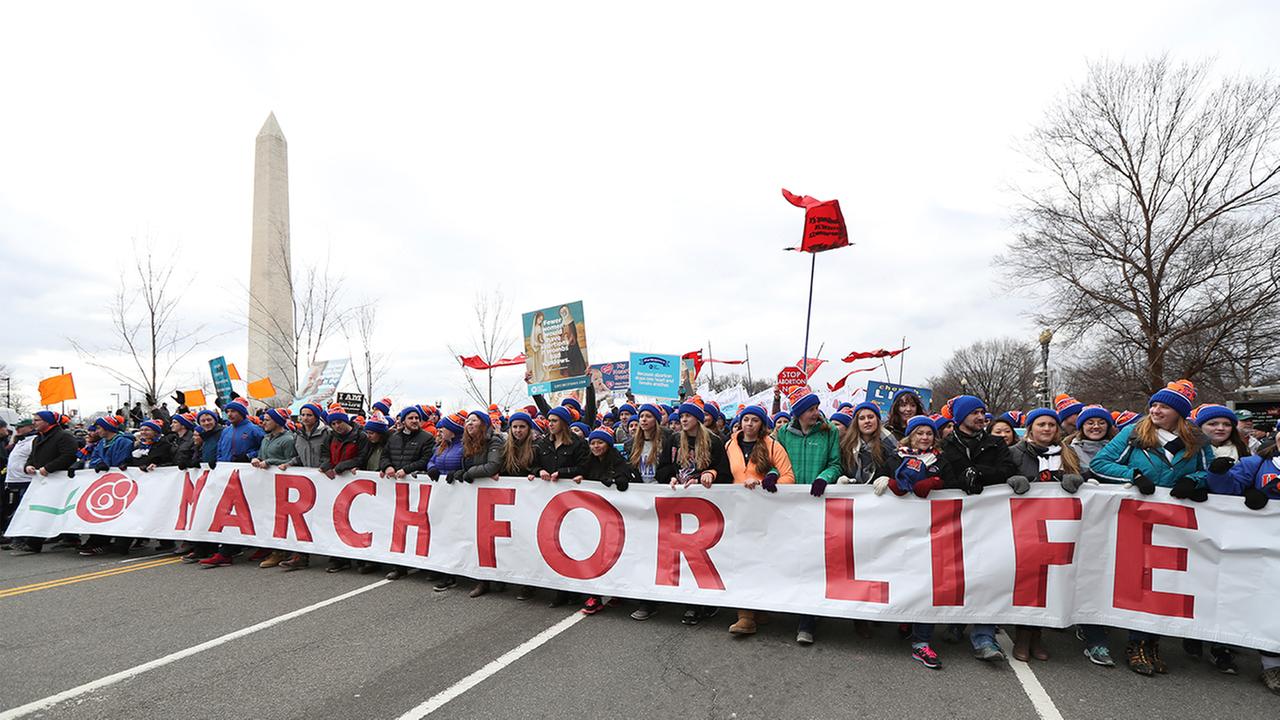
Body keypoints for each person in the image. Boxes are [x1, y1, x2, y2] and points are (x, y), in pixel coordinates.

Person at [1090, 379, 1212, 677]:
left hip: (1175, 522)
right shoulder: (1135, 433)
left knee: (1166, 580)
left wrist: (1193, 482)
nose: (1156, 410)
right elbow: (1100, 463)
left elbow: (1208, 472)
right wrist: (1133, 474)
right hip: (1137, 517)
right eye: (1154, 405)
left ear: (1179, 413)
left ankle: (1153, 641)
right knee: (1139, 577)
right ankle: (1136, 643)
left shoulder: (1197, 440)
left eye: (1164, 406)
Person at [1005, 408, 1098, 664]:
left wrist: (1076, 479)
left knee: (1051, 580)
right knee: (1028, 580)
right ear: (1030, 429)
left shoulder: (1068, 453)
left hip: (1059, 528)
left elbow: (1088, 477)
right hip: (1025, 526)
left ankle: (1038, 636)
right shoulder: (1015, 453)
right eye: (1041, 425)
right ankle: (1023, 636)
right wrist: (1012, 480)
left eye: (1051, 425)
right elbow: (1000, 476)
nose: (1047, 429)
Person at [939, 394, 1018, 661]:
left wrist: (980, 474)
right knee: (958, 572)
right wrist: (963, 479)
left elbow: (1006, 469)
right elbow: (944, 477)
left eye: (983, 412)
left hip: (991, 519)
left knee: (988, 573)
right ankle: (958, 620)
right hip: (957, 519)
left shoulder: (996, 443)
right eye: (974, 412)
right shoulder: (945, 445)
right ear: (960, 417)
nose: (981, 417)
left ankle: (984, 636)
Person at [1205, 422, 1280, 693]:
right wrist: (1220, 474)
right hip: (1262, 546)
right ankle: (1271, 665)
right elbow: (1228, 489)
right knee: (1269, 600)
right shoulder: (1257, 463)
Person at [772, 392, 840, 644]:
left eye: (817, 408)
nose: (815, 413)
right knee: (791, 556)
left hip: (817, 503)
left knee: (813, 560)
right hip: (788, 505)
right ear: (798, 413)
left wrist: (825, 477)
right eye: (810, 409)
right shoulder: (782, 434)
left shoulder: (829, 431)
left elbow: (835, 463)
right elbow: (773, 462)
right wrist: (771, 475)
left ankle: (807, 619)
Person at [725, 405, 793, 635]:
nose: (749, 424)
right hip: (737, 512)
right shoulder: (729, 445)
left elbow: (788, 476)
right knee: (741, 560)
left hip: (765, 513)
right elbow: (725, 475)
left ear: (762, 424)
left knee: (761, 560)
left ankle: (760, 607)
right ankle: (745, 616)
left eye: (755, 420)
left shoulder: (772, 445)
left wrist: (766, 485)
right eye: (746, 419)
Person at [669, 400, 732, 626]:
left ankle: (708, 602)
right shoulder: (675, 439)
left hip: (706, 505)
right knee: (686, 556)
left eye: (688, 416)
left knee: (705, 555)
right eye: (681, 416)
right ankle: (691, 604)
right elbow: (668, 467)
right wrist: (673, 477)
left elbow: (726, 474)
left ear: (697, 418)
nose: (683, 420)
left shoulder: (715, 441)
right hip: (682, 503)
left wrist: (711, 473)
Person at [529, 406, 589, 606]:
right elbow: (534, 465)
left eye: (554, 421)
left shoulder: (578, 443)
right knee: (554, 542)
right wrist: (539, 472)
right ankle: (560, 590)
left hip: (571, 499)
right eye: (549, 420)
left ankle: (577, 589)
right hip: (549, 500)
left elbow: (584, 467)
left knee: (574, 542)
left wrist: (563, 473)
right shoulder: (543, 443)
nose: (550, 424)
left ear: (563, 423)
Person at [199, 399, 266, 568]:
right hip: (228, 476)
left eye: (233, 411)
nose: (230, 415)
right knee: (228, 512)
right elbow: (221, 450)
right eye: (227, 412)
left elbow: (264, 448)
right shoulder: (227, 431)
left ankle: (236, 549)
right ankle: (227, 550)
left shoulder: (253, 430)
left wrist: (249, 456)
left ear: (241, 413)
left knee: (247, 511)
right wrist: (219, 463)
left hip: (247, 476)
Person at [576, 425, 635, 615]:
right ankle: (595, 596)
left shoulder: (618, 461)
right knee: (594, 555)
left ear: (608, 445)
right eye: (592, 443)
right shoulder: (589, 462)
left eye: (599, 442)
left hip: (616, 518)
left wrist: (613, 479)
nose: (595, 446)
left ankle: (618, 590)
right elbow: (580, 474)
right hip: (593, 519)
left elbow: (626, 480)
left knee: (616, 554)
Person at [8, 412, 78, 555]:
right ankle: (34, 542)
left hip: (60, 480)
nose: (34, 423)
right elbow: (32, 458)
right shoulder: (38, 438)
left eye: (37, 420)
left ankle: (70, 538)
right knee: (41, 510)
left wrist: (49, 468)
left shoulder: (64, 436)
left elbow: (69, 456)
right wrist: (28, 466)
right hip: (42, 481)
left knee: (57, 510)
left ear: (47, 421)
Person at [379, 405, 435, 580]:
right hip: (397, 490)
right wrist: (387, 466)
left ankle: (424, 565)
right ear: (403, 421)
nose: (414, 421)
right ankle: (399, 566)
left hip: (416, 488)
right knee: (398, 528)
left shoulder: (427, 438)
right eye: (410, 418)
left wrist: (406, 470)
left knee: (421, 527)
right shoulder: (393, 438)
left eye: (417, 418)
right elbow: (385, 456)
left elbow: (426, 460)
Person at [276, 402, 329, 571]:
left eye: (309, 415)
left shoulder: (327, 433)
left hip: (325, 481)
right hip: (306, 483)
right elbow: (299, 457)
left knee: (326, 517)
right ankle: (300, 556)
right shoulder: (298, 434)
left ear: (316, 417)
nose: (305, 418)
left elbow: (331, 455)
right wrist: (289, 464)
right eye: (303, 415)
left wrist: (325, 466)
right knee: (303, 518)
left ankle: (336, 555)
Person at [457, 410, 504, 597]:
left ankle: (495, 578)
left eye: (474, 420)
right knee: (476, 537)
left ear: (483, 424)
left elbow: (492, 466)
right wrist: (462, 472)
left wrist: (470, 473)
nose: (469, 423)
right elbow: (465, 466)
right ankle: (482, 578)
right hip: (475, 496)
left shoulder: (494, 441)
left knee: (492, 539)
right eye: (467, 420)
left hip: (493, 497)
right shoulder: (467, 443)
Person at [320, 409, 370, 574]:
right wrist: (326, 465)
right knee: (336, 520)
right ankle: (339, 558)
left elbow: (363, 457)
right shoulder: (330, 436)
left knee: (357, 519)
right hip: (335, 483)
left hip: (354, 483)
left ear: (346, 421)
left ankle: (362, 557)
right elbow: (324, 454)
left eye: (339, 422)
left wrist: (344, 465)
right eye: (333, 424)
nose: (337, 426)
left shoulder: (360, 436)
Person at [251, 408, 298, 569]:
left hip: (283, 485)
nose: (263, 422)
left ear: (277, 422)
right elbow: (262, 456)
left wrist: (270, 461)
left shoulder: (288, 439)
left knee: (282, 518)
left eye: (267, 420)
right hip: (267, 484)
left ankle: (281, 552)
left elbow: (292, 461)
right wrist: (257, 459)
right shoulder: (265, 439)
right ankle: (272, 548)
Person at [837, 402, 898, 486]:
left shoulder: (889, 445)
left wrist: (889, 481)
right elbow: (840, 468)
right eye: (862, 418)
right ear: (856, 422)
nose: (867, 421)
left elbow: (897, 473)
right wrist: (840, 478)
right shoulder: (846, 446)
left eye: (870, 417)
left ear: (877, 419)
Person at [1063, 405, 1115, 480]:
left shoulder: (1118, 449)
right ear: (1082, 427)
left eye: (1102, 423)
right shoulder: (1070, 451)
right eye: (1090, 423)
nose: (1096, 426)